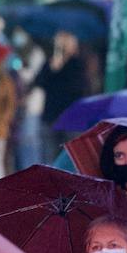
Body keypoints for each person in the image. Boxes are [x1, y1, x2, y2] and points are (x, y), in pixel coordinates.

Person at [34, 30, 87, 161]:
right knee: (49, 157)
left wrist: (61, 70)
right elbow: (38, 82)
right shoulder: (51, 63)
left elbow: (78, 88)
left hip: (70, 118)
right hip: (51, 117)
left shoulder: (77, 64)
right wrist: (52, 69)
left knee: (71, 158)